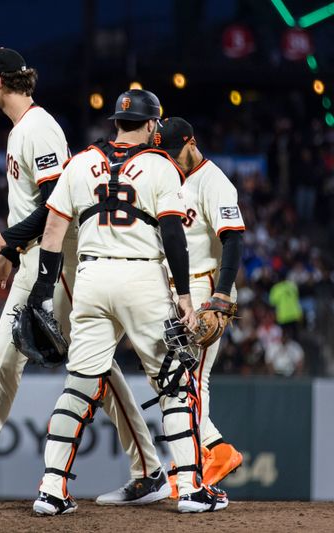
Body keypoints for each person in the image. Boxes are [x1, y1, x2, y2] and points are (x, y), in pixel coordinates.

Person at [0, 50, 169, 510]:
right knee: (83, 364)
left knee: (43, 364)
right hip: (40, 257)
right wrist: (10, 249)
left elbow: (54, 207)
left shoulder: (38, 127)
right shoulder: (23, 129)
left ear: (0, 81)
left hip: (60, 261)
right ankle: (147, 469)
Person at [26, 89, 228, 515]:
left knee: (80, 385)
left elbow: (52, 234)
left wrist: (42, 294)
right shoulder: (161, 166)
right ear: (153, 124)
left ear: (116, 122)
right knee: (174, 382)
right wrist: (186, 297)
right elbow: (173, 234)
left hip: (91, 277)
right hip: (141, 276)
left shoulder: (79, 162)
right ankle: (191, 488)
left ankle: (51, 489)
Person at [143, 117, 245, 495]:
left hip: (205, 288)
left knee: (192, 380)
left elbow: (233, 240)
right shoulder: (166, 177)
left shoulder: (214, 180)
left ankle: (197, 463)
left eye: (173, 151)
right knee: (169, 379)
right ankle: (217, 450)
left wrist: (221, 294)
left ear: (191, 142)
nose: (169, 158)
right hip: (173, 289)